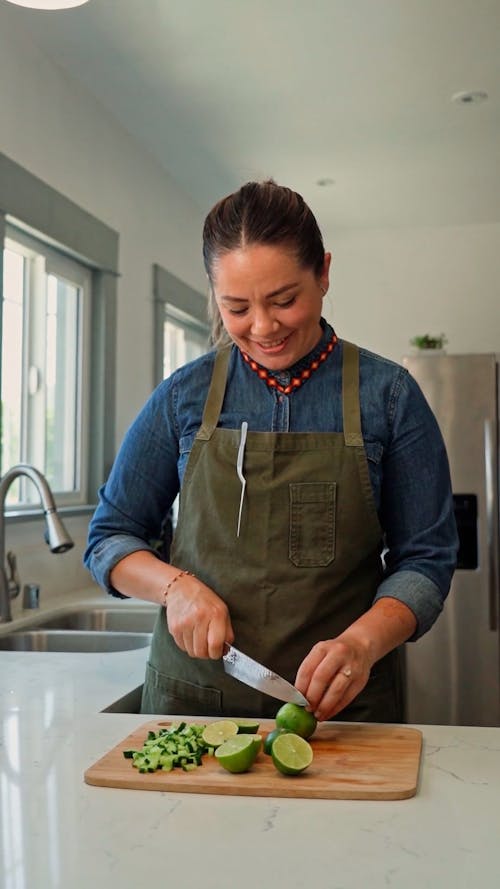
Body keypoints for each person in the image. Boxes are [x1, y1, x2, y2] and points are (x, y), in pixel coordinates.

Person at [84, 180, 458, 723]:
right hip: (194, 706)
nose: (263, 328)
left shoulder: (390, 397)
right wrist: (175, 588)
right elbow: (108, 538)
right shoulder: (182, 396)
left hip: (340, 711)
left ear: (324, 273)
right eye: (236, 307)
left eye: (284, 300)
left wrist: (362, 644)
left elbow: (427, 557)